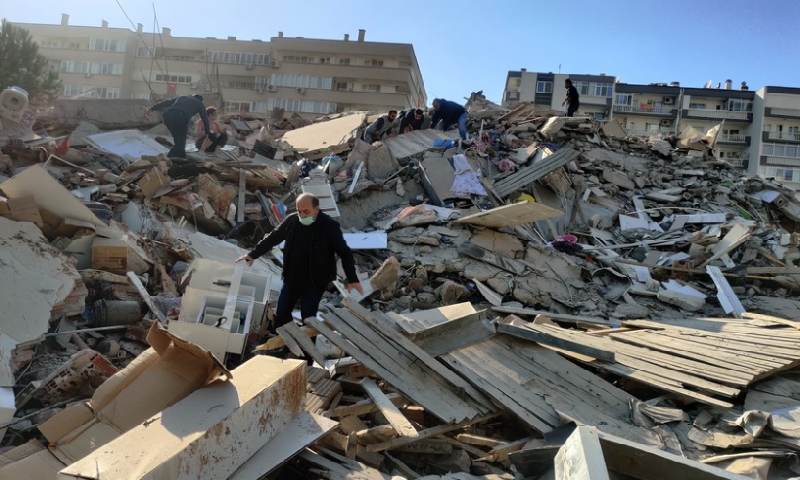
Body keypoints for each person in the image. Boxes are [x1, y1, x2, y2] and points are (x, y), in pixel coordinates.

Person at [236, 193, 364, 333]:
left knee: (308, 318)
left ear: (316, 209)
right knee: (282, 313)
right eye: (299, 211)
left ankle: (307, 352)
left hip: (315, 281)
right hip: (293, 277)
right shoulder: (292, 221)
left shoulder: (329, 226)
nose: (302, 215)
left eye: (306, 212)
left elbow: (344, 252)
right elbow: (273, 238)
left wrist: (352, 279)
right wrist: (252, 255)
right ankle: (285, 344)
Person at [146, 94, 215, 158]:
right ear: (200, 100)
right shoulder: (199, 103)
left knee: (179, 142)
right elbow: (205, 119)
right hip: (180, 118)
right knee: (180, 144)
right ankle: (167, 159)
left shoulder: (182, 98)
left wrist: (152, 108)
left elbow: (166, 103)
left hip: (167, 117)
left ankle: (182, 158)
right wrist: (207, 132)